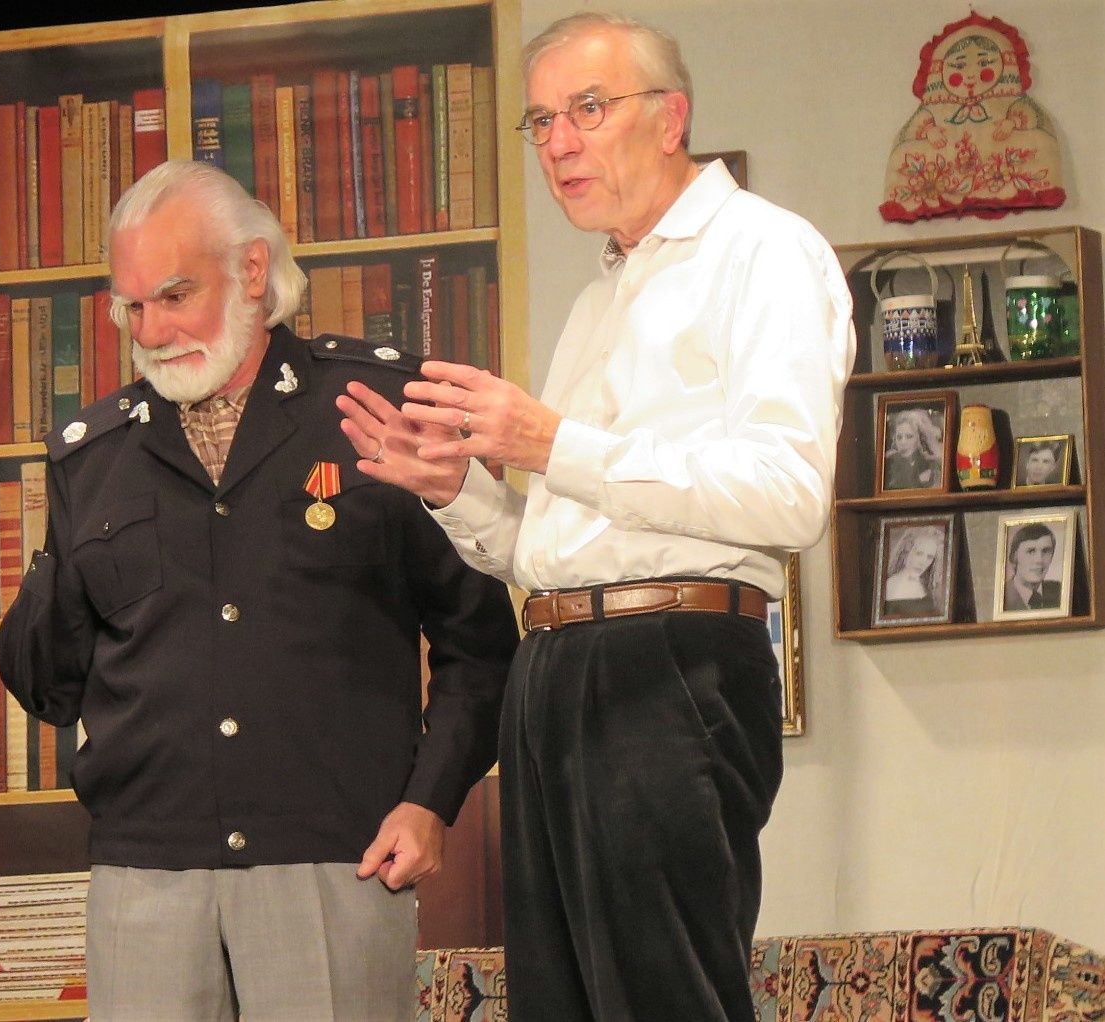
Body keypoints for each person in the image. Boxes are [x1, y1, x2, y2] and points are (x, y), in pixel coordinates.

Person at [336, 12, 856, 1020]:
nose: (559, 143)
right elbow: (559, 550)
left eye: (587, 109)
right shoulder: (598, 298)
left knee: (662, 999)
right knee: (560, 1002)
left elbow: (787, 492)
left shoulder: (763, 251)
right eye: (540, 122)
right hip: (555, 665)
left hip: (667, 665)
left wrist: (549, 442)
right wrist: (454, 489)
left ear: (671, 118)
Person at [0, 160, 519, 1021]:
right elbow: (46, 685)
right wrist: (61, 542)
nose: (152, 330)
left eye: (174, 296)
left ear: (250, 269)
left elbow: (481, 646)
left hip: (337, 858)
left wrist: (430, 801)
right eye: (132, 308)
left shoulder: (378, 409)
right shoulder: (91, 455)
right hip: (145, 875)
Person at [881, 525, 946, 618]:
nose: (923, 562)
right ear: (906, 552)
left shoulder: (928, 586)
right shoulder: (890, 585)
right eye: (918, 553)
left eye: (930, 557)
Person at [1004, 522, 1062, 610]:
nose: (1039, 560)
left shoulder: (1061, 592)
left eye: (1045, 551)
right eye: (1031, 551)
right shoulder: (1002, 597)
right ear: (1014, 557)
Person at [883, 407, 943, 490]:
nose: (903, 442)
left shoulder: (931, 464)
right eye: (899, 437)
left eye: (909, 436)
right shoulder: (888, 463)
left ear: (920, 439)